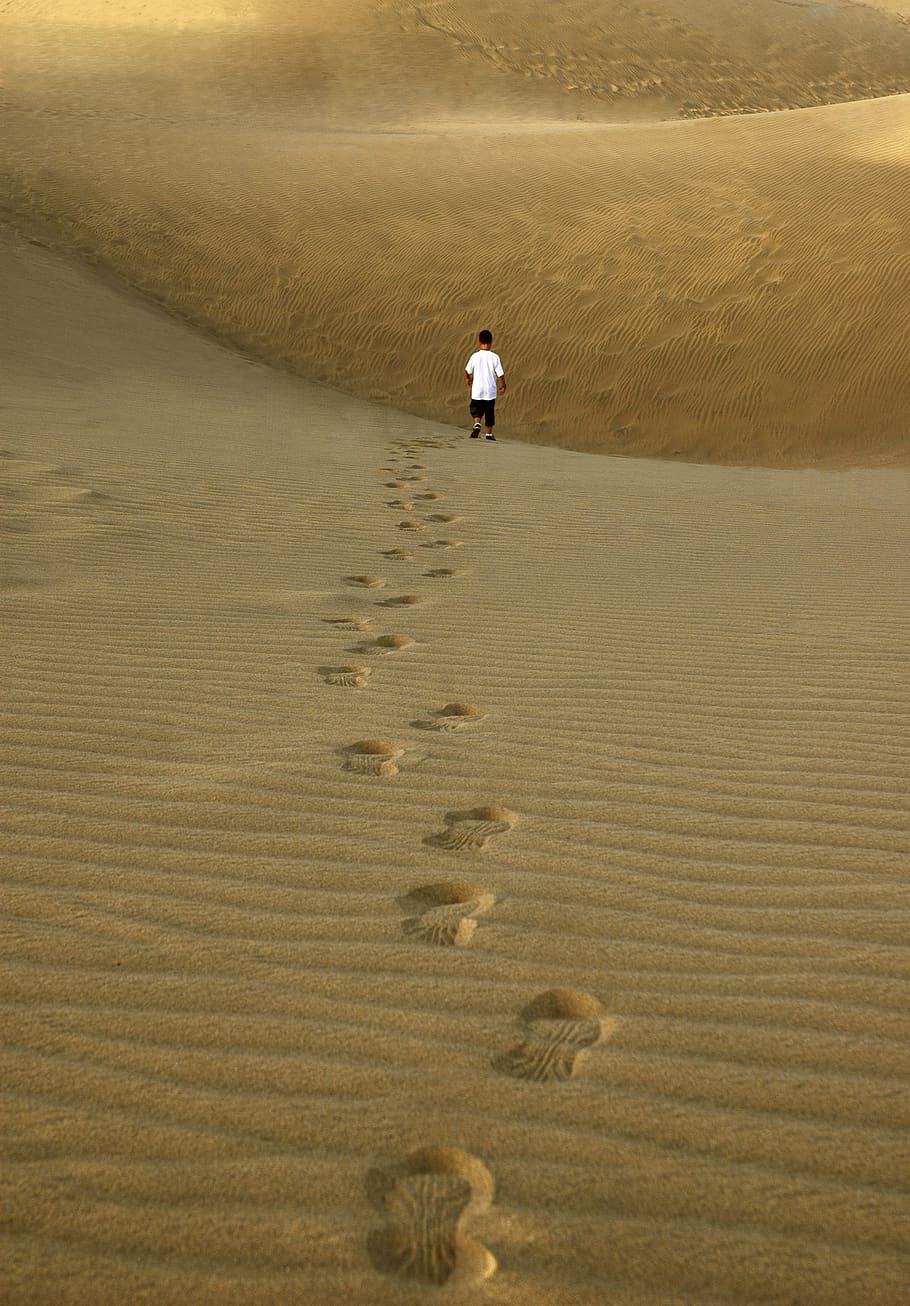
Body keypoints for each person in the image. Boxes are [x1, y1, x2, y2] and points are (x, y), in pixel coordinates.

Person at [464, 329, 506, 440]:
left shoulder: (474, 356)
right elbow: (500, 374)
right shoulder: (494, 357)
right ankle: (488, 433)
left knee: (476, 409)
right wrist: (503, 385)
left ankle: (477, 423)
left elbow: (467, 370)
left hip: (477, 389)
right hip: (490, 390)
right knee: (489, 412)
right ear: (491, 341)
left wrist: (468, 379)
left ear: (479, 341)